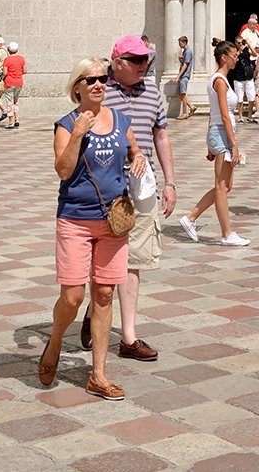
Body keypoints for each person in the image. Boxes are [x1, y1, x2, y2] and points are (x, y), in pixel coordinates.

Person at [38, 57, 146, 399]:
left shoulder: (120, 120)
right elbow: (63, 170)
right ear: (78, 87)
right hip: (74, 218)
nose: (99, 84)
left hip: (113, 221)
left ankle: (98, 375)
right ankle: (56, 340)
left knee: (103, 293)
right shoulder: (67, 124)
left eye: (103, 78)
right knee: (73, 296)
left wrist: (139, 157)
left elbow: (133, 150)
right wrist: (78, 136)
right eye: (91, 80)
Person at [97, 36, 177, 361]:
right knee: (103, 258)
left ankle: (128, 337)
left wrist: (169, 183)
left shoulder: (153, 93)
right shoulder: (100, 90)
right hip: (104, 188)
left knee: (135, 259)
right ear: (117, 63)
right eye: (136, 60)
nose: (144, 64)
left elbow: (161, 134)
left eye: (146, 59)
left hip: (142, 187)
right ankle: (95, 309)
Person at [178, 42, 250, 245]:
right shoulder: (219, 81)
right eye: (234, 55)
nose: (237, 58)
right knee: (221, 185)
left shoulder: (222, 80)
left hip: (220, 134)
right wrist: (233, 144)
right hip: (221, 134)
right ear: (224, 57)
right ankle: (226, 233)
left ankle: (191, 217)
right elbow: (224, 115)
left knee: (226, 186)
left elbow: (215, 113)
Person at [232, 39, 257, 123]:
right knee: (239, 98)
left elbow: (255, 54)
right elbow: (233, 60)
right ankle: (240, 116)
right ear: (236, 43)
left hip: (248, 77)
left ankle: (249, 115)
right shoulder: (234, 51)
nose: (240, 44)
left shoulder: (246, 50)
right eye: (238, 43)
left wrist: (248, 44)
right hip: (238, 77)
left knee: (251, 97)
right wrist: (239, 50)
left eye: (241, 42)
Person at [3, 41, 26, 129]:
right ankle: (17, 119)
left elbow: (5, 73)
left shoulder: (7, 59)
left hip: (9, 82)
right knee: (16, 101)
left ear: (8, 50)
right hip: (19, 82)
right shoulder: (21, 58)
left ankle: (11, 122)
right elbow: (25, 70)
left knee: (9, 102)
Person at [175, 36, 195, 120]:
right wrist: (181, 60)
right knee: (178, 94)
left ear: (184, 42)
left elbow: (185, 65)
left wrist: (178, 76)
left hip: (184, 75)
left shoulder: (188, 51)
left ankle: (185, 113)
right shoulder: (185, 52)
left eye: (180, 43)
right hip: (183, 76)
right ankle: (191, 106)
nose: (179, 45)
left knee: (183, 94)